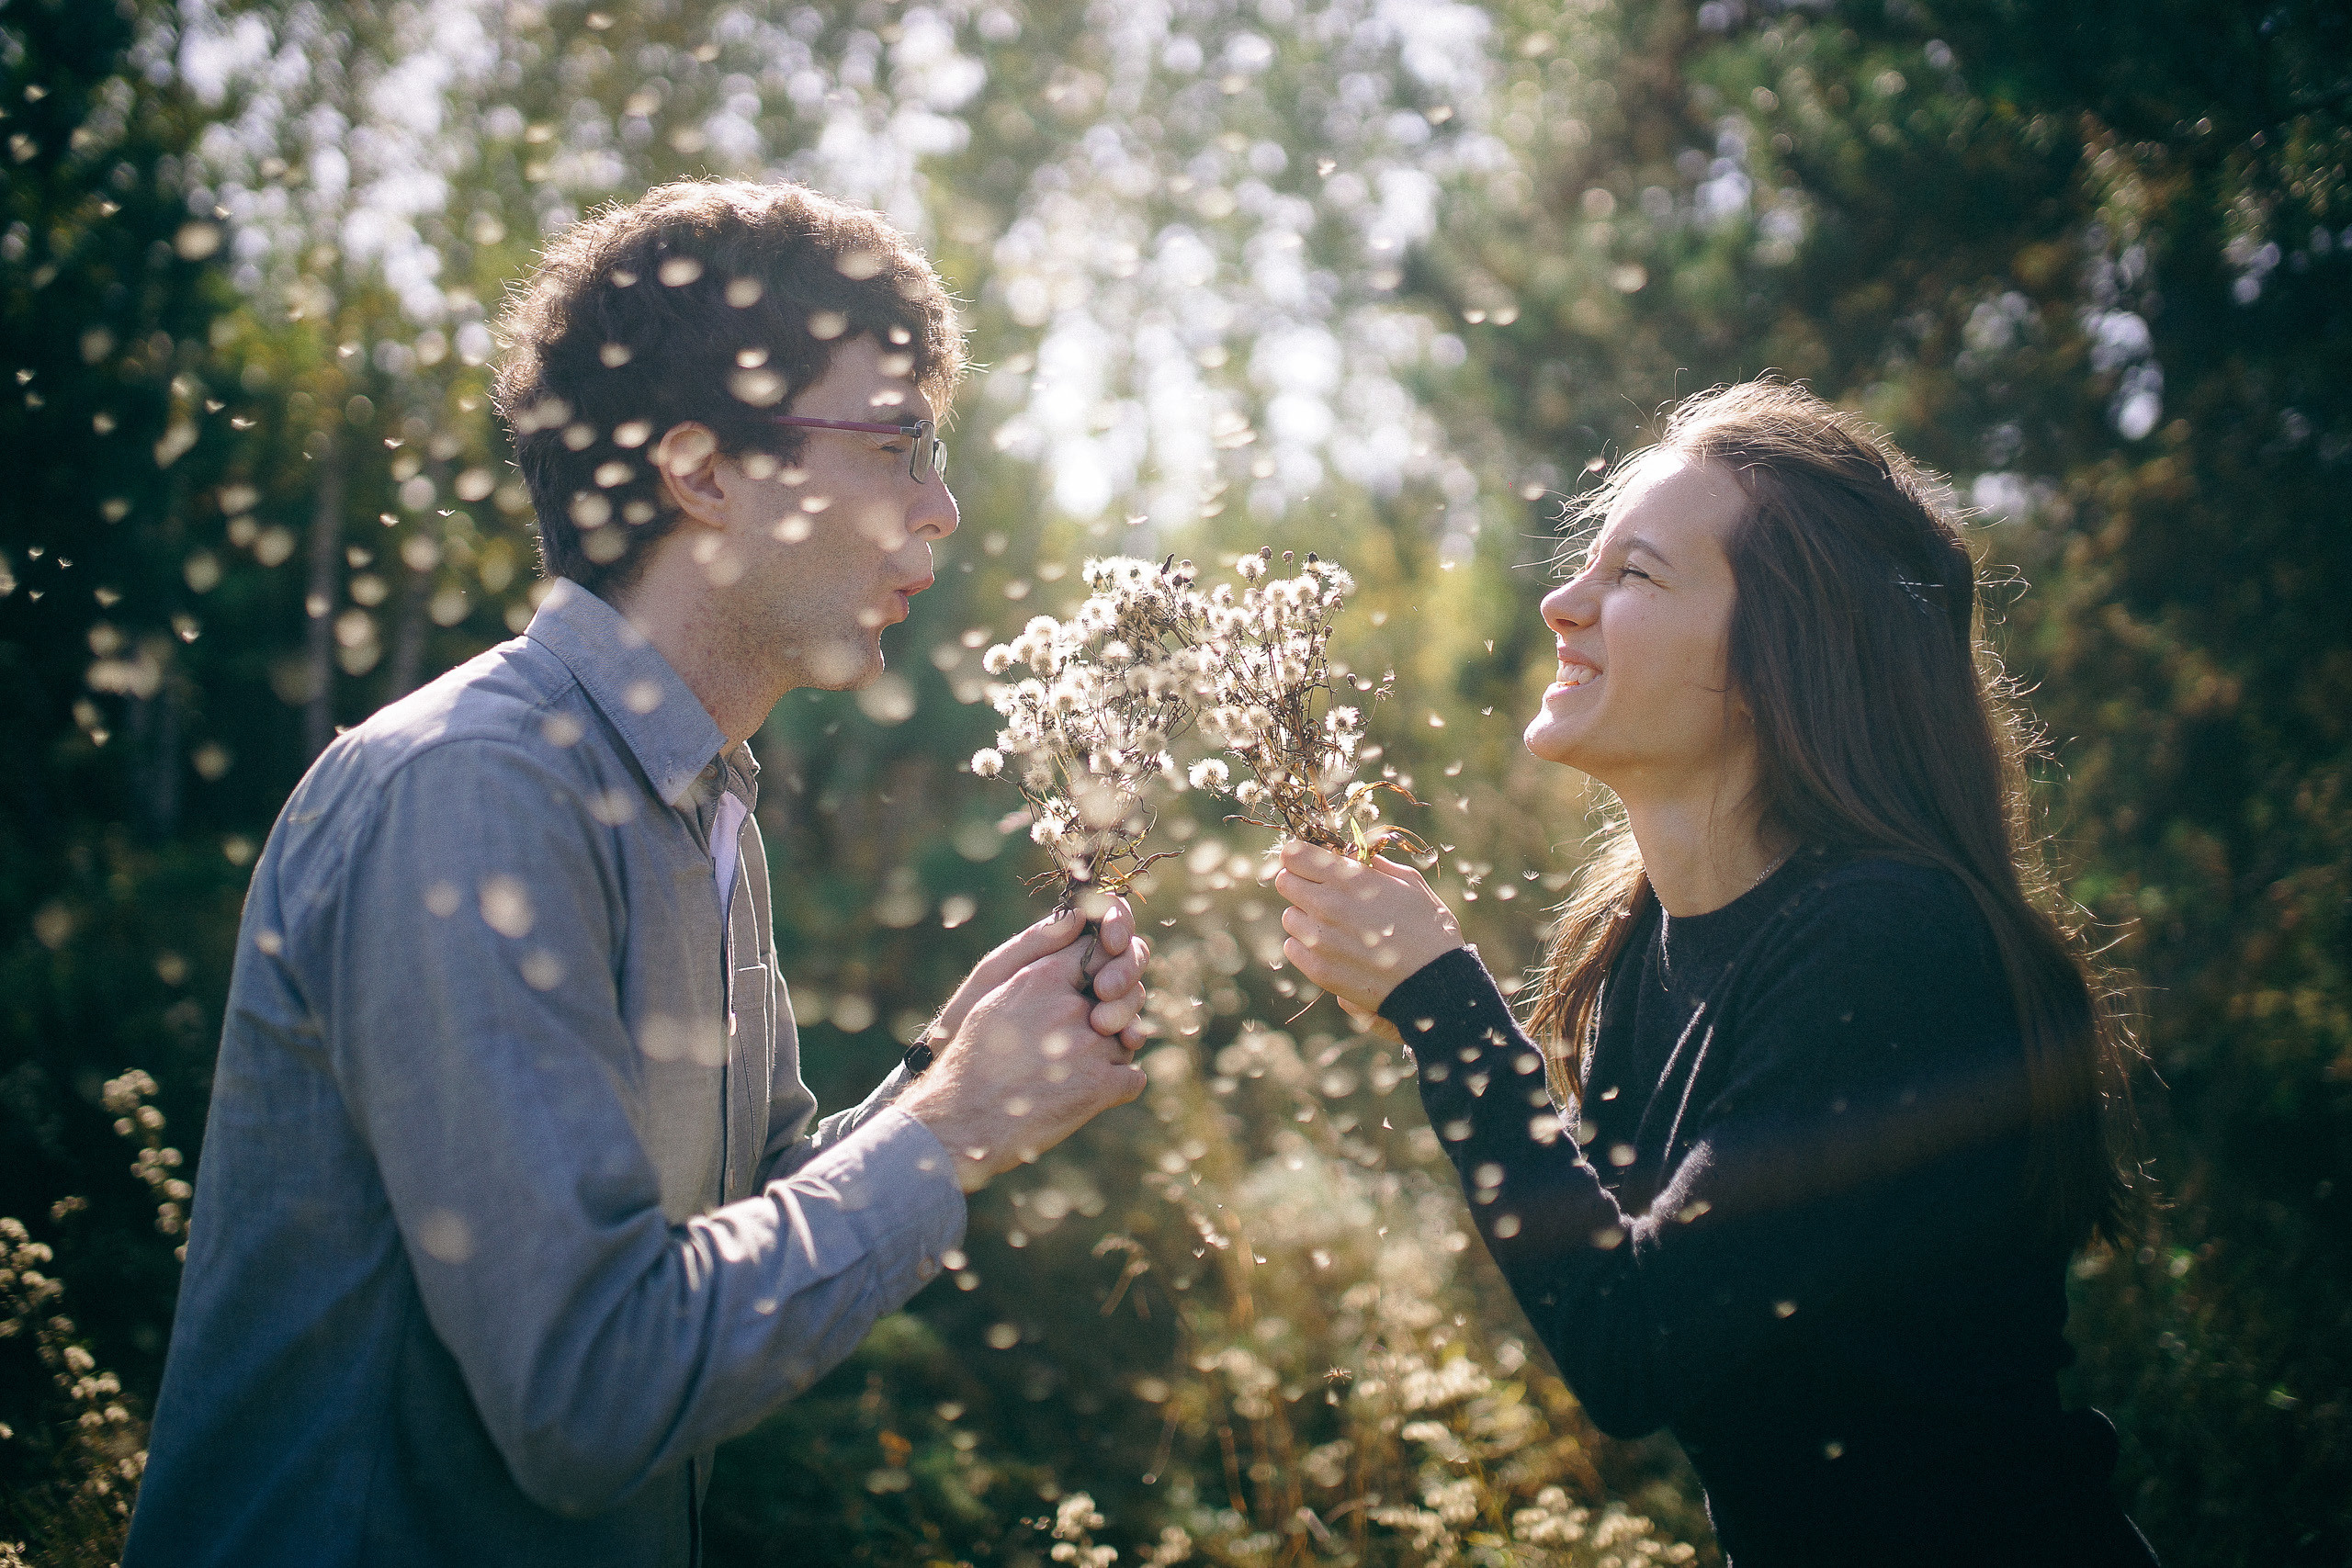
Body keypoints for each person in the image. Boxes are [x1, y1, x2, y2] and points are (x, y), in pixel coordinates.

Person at [125, 180, 1150, 1566]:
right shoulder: (476, 795)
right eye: (899, 443)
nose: (943, 509)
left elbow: (727, 1235)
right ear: (705, 472)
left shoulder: (697, 807)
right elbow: (591, 1392)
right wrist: (953, 1128)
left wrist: (941, 1077)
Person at [1275, 382, 2156, 1565]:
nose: (1560, 603)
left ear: (1777, 657)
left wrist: (1447, 1016)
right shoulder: (1643, 944)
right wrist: (1434, 1010)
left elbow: (1634, 1347)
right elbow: (1621, 1274)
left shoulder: (1890, 943)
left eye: (1633, 576)